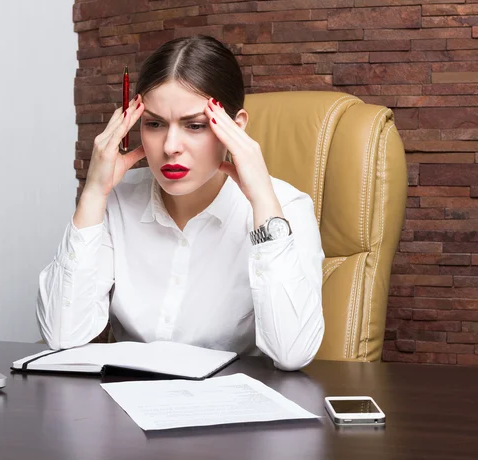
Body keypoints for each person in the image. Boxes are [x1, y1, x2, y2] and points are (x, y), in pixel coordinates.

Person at [37, 35, 324, 371]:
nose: (171, 146)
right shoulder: (116, 199)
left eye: (195, 125)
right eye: (155, 124)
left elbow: (292, 354)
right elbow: (62, 338)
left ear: (236, 127)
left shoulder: (284, 208)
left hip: (233, 407)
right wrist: (93, 195)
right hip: (129, 403)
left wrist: (262, 199)